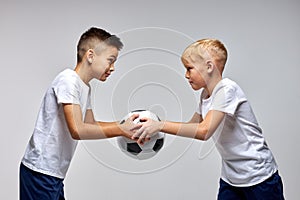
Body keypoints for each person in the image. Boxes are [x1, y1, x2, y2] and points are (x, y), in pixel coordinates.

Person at [133, 39, 285, 199]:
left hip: (259, 176)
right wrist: (152, 129)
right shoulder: (206, 94)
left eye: (189, 69)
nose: (186, 75)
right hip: (232, 178)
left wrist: (160, 125)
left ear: (209, 66)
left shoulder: (227, 90)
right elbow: (191, 126)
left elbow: (204, 131)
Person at [19, 27, 141, 200]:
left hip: (54, 173)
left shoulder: (84, 87)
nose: (112, 68)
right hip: (40, 171)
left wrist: (124, 126)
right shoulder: (68, 80)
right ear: (90, 56)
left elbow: (90, 125)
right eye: (110, 60)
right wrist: (121, 130)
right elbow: (77, 129)